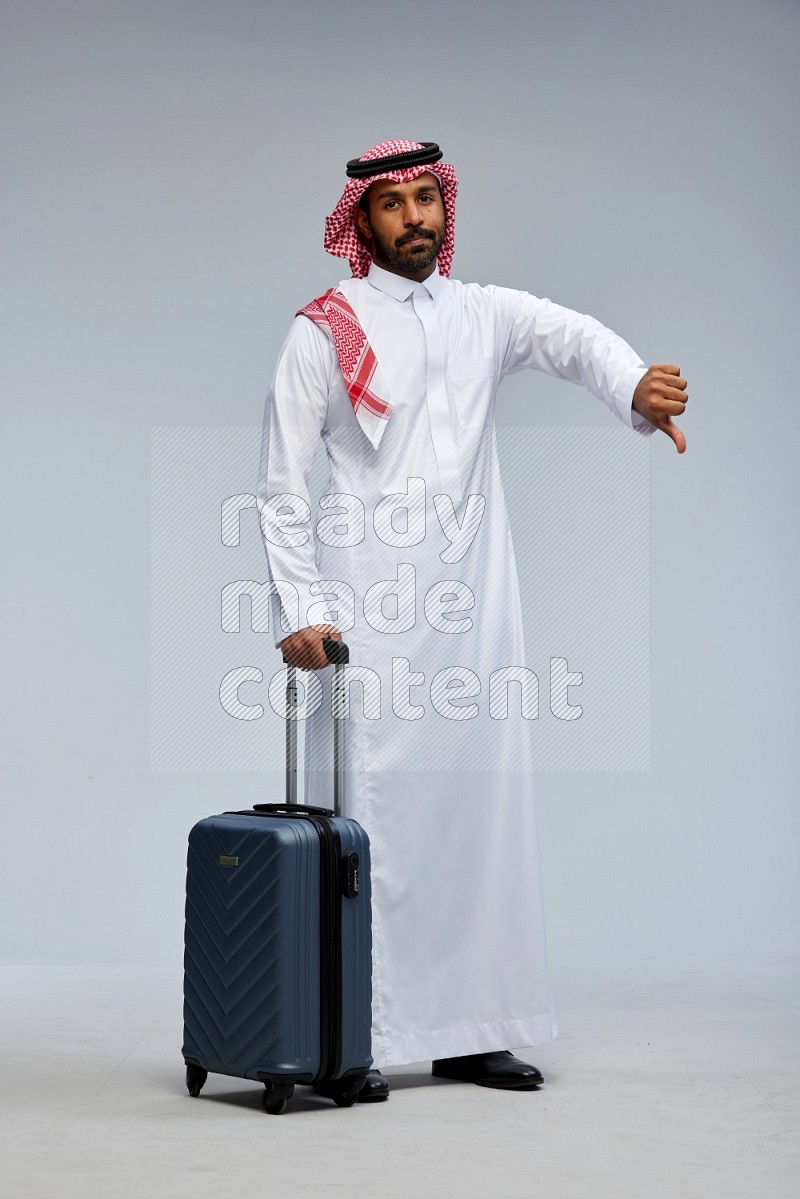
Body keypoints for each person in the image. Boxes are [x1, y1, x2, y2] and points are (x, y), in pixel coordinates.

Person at [256, 140, 688, 1101]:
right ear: (360, 221)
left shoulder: (483, 314)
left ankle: (471, 1029)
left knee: (481, 818)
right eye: (394, 204)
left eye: (426, 200)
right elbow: (282, 487)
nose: (414, 218)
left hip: (477, 612)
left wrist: (632, 386)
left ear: (443, 209)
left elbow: (572, 339)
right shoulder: (324, 331)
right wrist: (301, 610)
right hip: (368, 612)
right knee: (375, 820)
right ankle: (352, 1035)